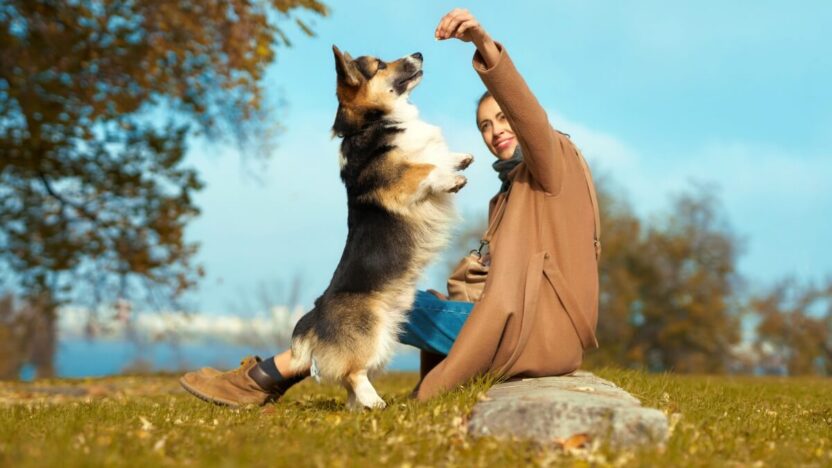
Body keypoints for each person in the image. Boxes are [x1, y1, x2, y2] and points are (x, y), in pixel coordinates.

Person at [180, 8, 601, 406]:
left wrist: (483, 43)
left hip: (537, 334)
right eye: (485, 126)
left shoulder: (554, 160)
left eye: (504, 118)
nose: (495, 132)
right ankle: (275, 374)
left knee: (378, 304)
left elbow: (529, 117)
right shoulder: (513, 188)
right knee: (393, 300)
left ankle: (265, 377)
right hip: (525, 327)